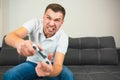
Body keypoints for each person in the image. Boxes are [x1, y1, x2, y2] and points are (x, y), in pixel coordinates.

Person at [3, 3, 74, 80]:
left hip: (51, 65)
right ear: (43, 17)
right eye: (48, 18)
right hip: (32, 63)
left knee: (68, 76)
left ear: (62, 22)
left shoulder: (63, 36)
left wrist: (50, 70)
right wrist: (19, 43)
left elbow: (58, 65)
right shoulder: (34, 23)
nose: (51, 24)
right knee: (9, 76)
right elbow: (9, 37)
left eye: (57, 20)